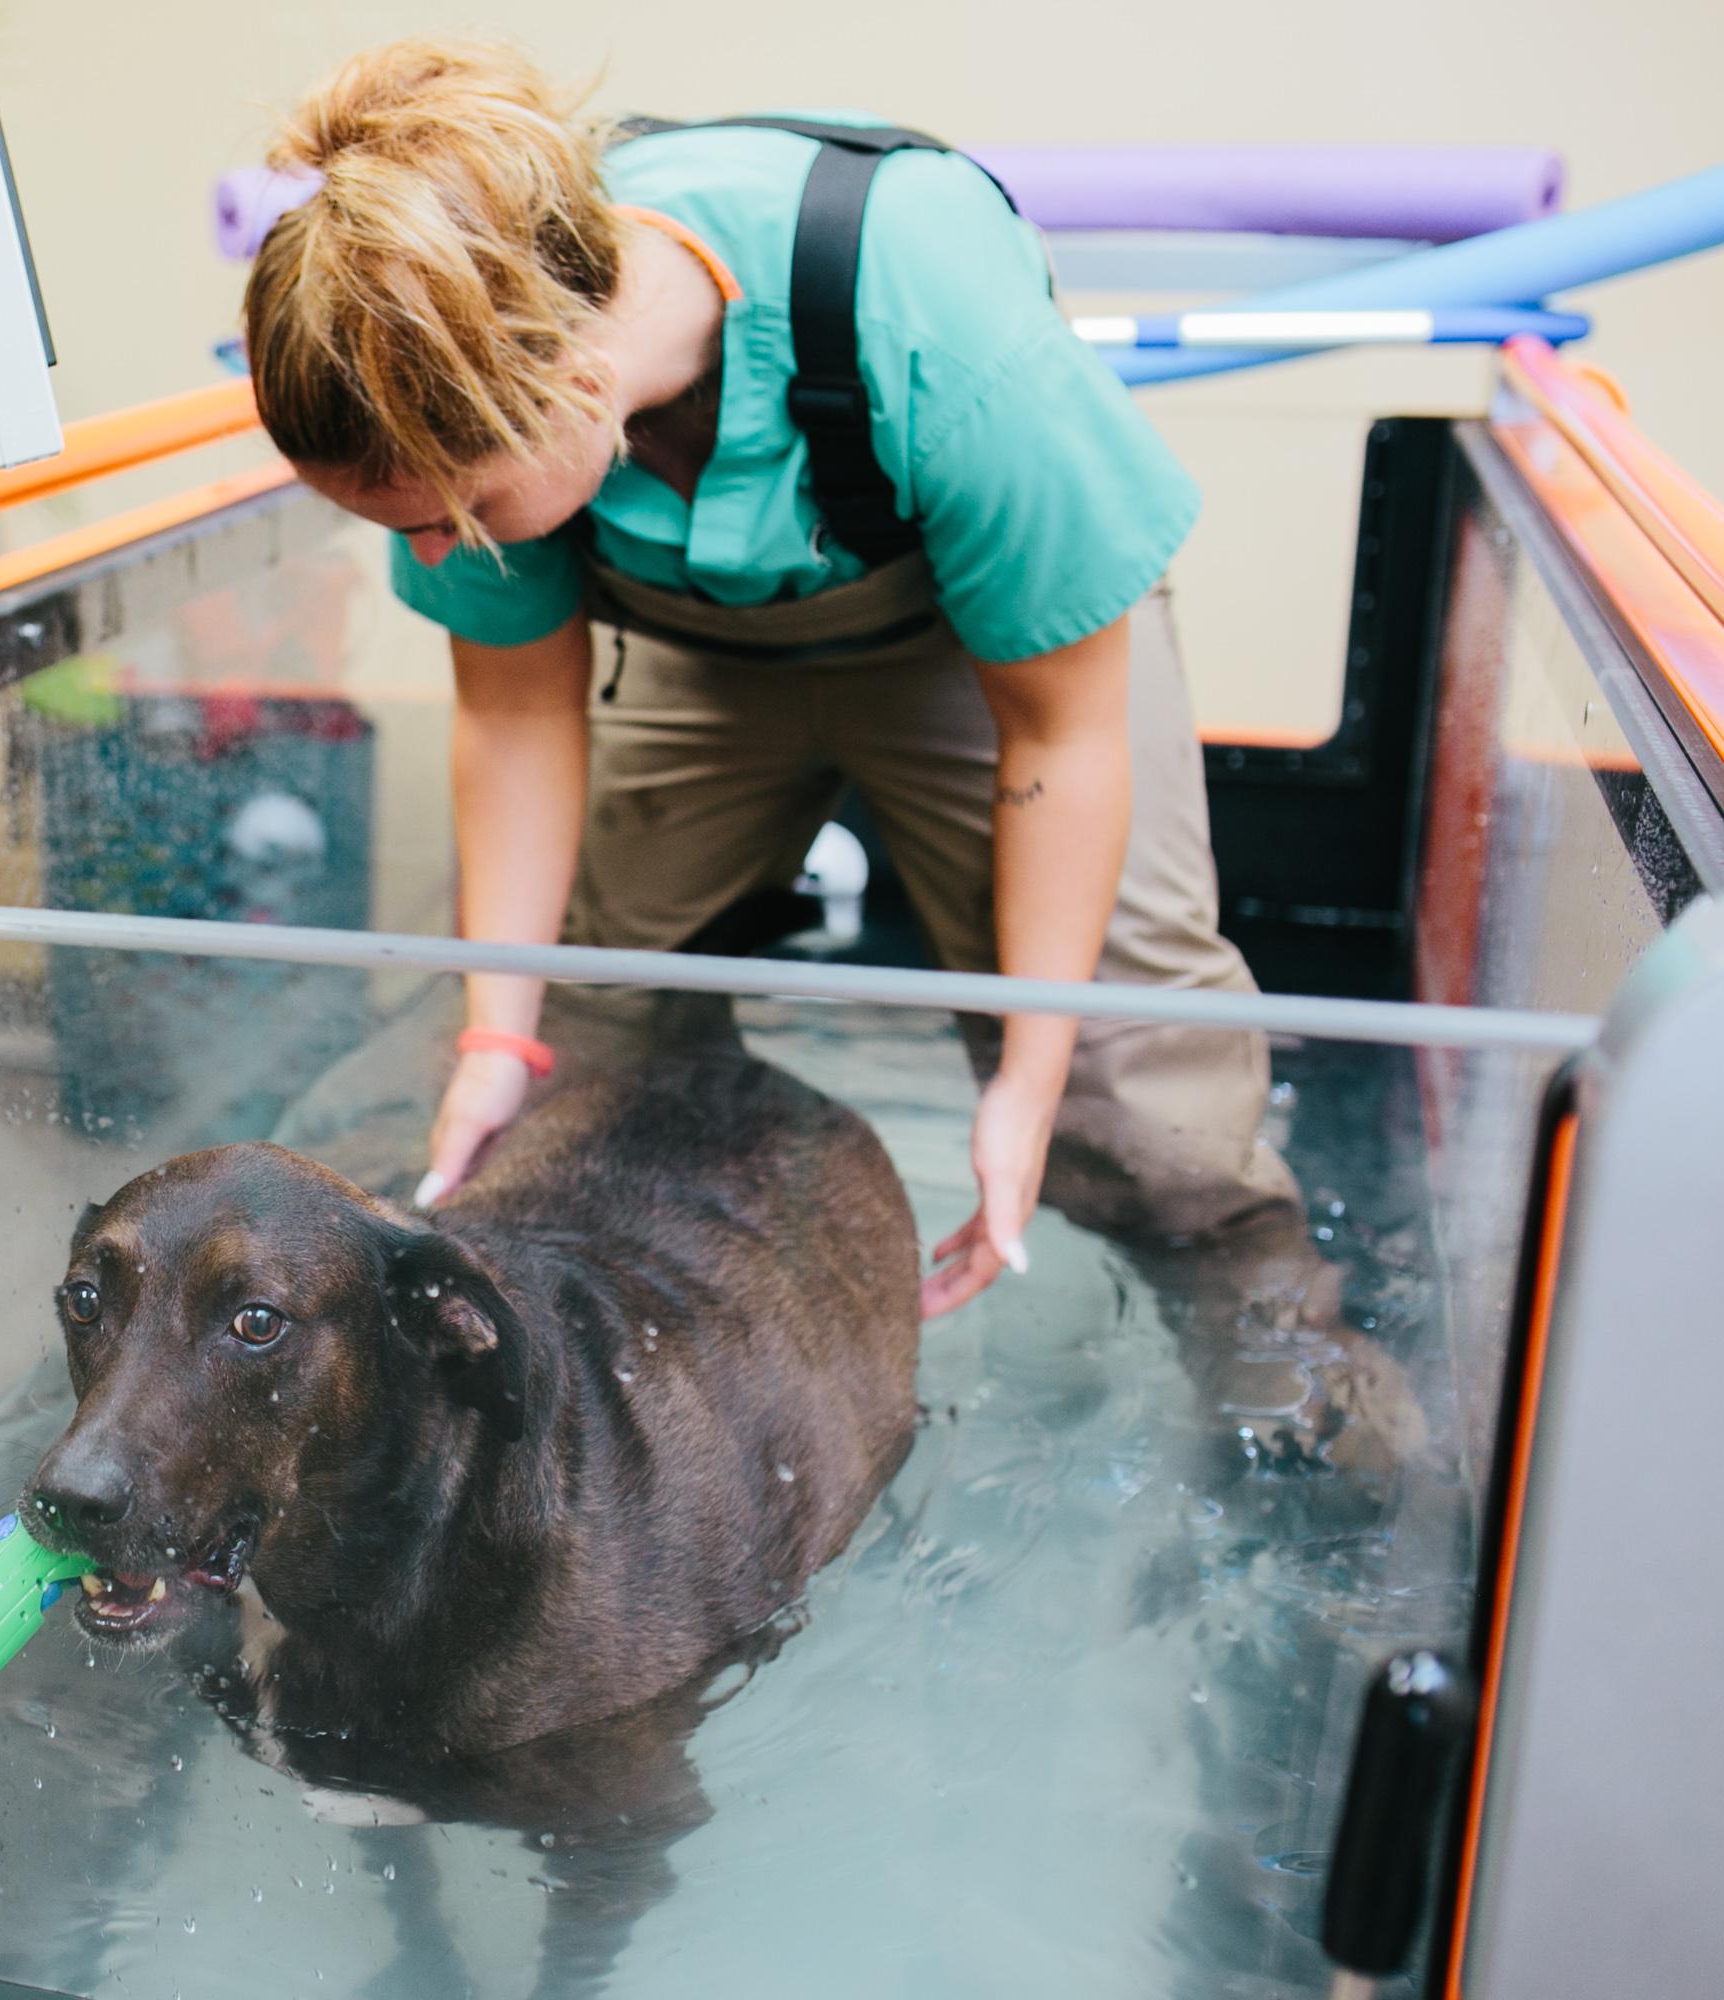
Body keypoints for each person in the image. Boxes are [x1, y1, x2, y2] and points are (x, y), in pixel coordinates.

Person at [239, 39, 1422, 1467]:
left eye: (463, 512)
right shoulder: (455, 404)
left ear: (566, 378)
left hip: (979, 649)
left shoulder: (931, 314)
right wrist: (500, 1030)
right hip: (691, 644)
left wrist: (1031, 1083)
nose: (434, 556)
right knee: (586, 1029)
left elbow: (1062, 733)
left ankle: (1308, 1409)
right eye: (406, 527)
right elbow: (514, 711)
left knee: (1127, 1069)